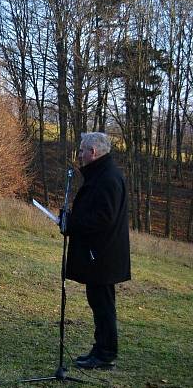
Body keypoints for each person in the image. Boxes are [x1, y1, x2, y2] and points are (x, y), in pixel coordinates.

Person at [63, 132, 131, 370]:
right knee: (99, 302)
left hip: (103, 255)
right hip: (100, 254)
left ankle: (105, 354)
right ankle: (100, 349)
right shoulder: (103, 175)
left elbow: (103, 219)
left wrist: (72, 224)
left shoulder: (108, 178)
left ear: (93, 152)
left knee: (103, 305)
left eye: (82, 150)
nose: (79, 155)